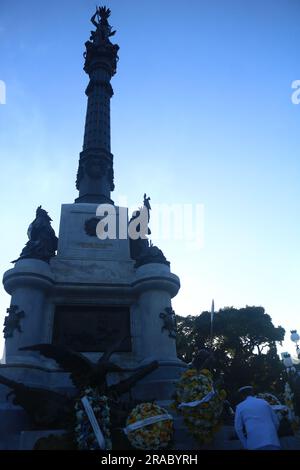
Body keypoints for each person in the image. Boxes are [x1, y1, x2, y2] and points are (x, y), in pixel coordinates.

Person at [234, 386, 281, 450]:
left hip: (254, 443)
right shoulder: (264, 402)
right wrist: (272, 434)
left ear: (242, 396)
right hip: (272, 441)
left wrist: (245, 444)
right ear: (252, 393)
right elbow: (276, 422)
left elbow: (238, 428)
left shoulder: (240, 407)